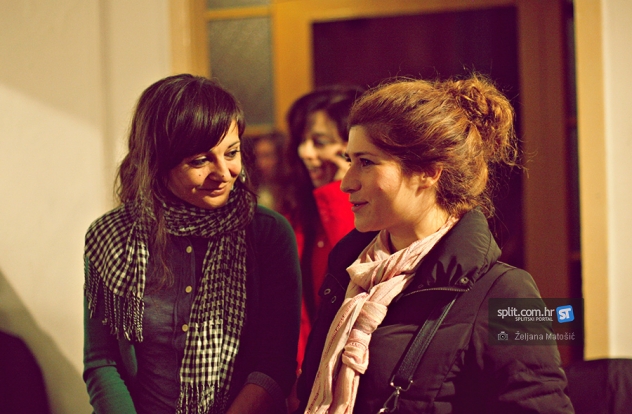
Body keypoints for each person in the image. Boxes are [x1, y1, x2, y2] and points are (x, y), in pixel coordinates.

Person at [296, 75, 574, 413]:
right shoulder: (351, 271)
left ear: (428, 171)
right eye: (349, 160)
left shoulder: (509, 292)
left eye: (366, 162)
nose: (347, 182)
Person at [83, 74, 301, 414]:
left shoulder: (267, 233)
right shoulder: (111, 236)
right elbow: (103, 361)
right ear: (158, 161)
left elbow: (275, 363)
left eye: (232, 153)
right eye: (200, 161)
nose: (224, 173)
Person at [282, 86, 363, 368]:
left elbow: (352, 272)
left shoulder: (377, 216)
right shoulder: (298, 211)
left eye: (320, 142)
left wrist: (341, 192)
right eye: (302, 141)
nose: (305, 152)